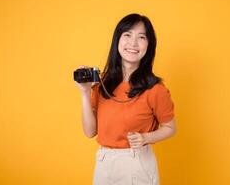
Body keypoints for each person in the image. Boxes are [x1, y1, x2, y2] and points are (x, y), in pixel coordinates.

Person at [75, 13, 176, 185]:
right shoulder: (102, 84)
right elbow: (90, 132)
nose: (133, 43)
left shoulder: (156, 89)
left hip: (136, 162)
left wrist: (145, 138)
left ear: (149, 45)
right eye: (127, 35)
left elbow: (170, 127)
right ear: (117, 40)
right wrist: (84, 93)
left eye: (141, 37)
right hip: (104, 162)